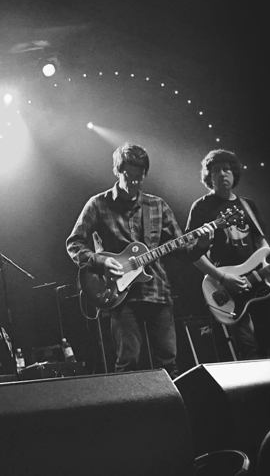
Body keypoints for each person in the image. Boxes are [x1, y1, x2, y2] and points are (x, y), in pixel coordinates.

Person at [66, 143, 182, 376]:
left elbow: (182, 247)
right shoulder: (98, 204)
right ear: (118, 171)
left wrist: (201, 242)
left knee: (168, 359)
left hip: (156, 291)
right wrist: (100, 261)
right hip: (120, 295)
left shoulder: (157, 205)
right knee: (129, 359)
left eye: (139, 178)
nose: (134, 183)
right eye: (129, 176)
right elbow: (74, 243)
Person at [186, 149, 270, 362]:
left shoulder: (248, 205)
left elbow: (263, 244)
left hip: (260, 279)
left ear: (235, 173)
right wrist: (222, 278)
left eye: (227, 169)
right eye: (217, 170)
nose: (223, 174)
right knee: (247, 344)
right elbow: (192, 253)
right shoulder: (201, 207)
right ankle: (255, 393)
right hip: (228, 286)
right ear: (209, 176)